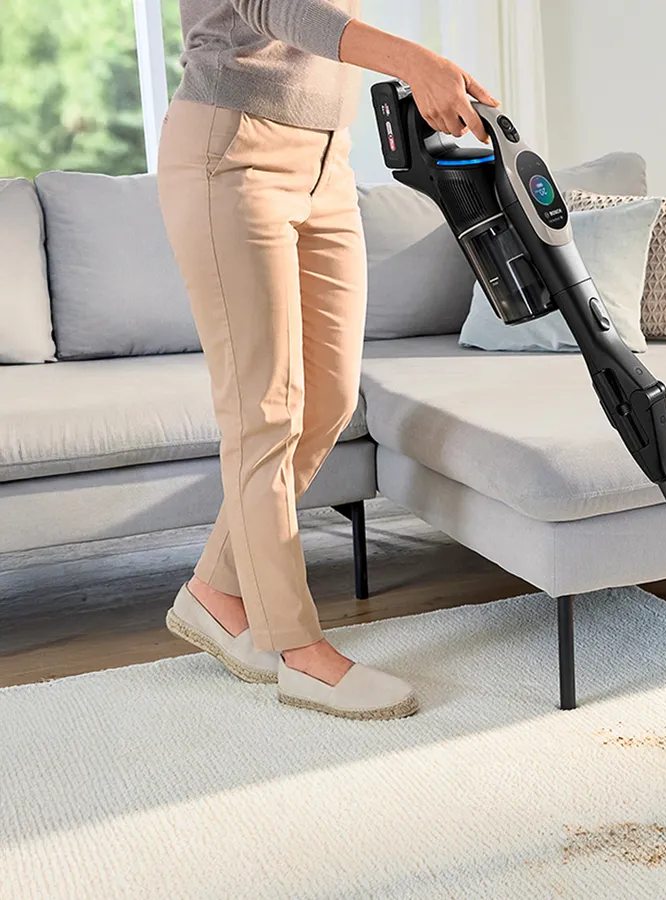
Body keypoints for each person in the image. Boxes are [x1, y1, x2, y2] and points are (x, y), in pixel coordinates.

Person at [157, 1, 498, 720]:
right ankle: (297, 652)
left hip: (327, 158)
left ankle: (216, 593)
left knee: (330, 401)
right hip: (231, 148)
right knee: (264, 413)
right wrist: (414, 61)